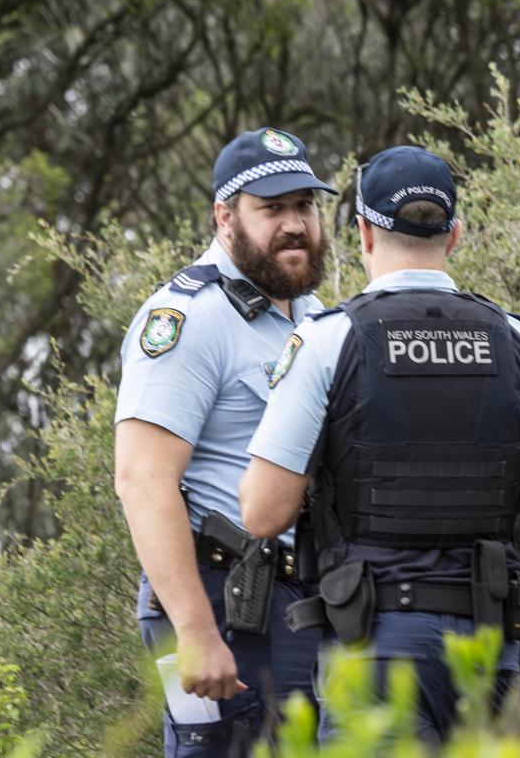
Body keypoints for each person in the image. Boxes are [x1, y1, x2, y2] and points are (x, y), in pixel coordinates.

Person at [238, 145, 520, 745]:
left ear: (364, 233)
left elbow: (263, 512)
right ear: (453, 235)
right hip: (490, 644)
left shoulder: (327, 341)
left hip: (374, 647)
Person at [114, 127, 336, 756]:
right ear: (224, 215)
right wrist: (193, 630)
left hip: (302, 604)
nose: (294, 225)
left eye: (305, 207)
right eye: (272, 209)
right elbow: (142, 478)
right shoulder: (189, 318)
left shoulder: (317, 318)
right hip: (221, 599)